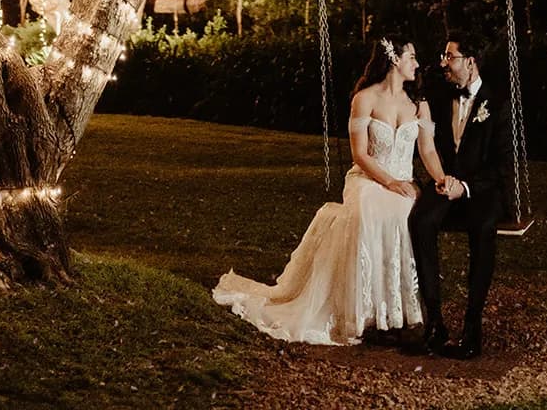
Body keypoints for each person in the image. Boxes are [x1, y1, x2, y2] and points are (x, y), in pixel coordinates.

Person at [212, 34, 444, 346]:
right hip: (368, 178)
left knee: (405, 211)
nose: (417, 64)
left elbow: (428, 151)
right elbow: (360, 154)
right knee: (369, 211)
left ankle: (397, 314)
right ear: (394, 60)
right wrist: (388, 181)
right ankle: (362, 314)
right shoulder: (365, 99)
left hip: (403, 182)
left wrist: (441, 179)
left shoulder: (419, 105)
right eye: (412, 57)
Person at [409, 32, 513, 359]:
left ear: (470, 62)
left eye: (449, 57)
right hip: (445, 183)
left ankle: (472, 327)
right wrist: (443, 180)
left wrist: (464, 187)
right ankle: (436, 322)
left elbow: (500, 167)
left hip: (481, 191)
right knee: (421, 220)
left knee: (483, 229)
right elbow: (429, 144)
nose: (443, 63)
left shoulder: (497, 105)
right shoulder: (440, 97)